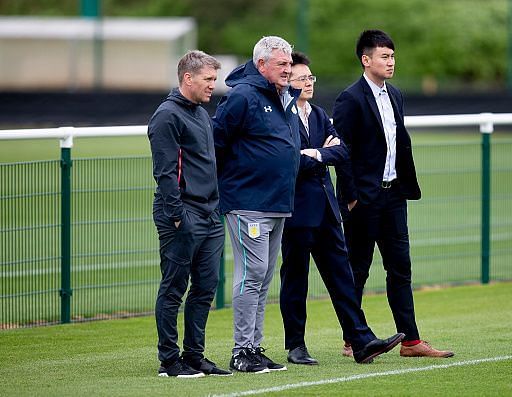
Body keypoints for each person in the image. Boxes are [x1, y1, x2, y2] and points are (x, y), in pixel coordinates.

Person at [333, 30, 454, 358]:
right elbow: (341, 152)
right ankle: (353, 338)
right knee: (357, 268)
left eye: (392, 56)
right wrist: (351, 197)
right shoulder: (350, 99)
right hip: (363, 200)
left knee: (401, 268)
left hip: (393, 197)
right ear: (366, 59)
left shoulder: (395, 95)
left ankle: (411, 341)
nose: (391, 62)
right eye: (384, 56)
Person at [279, 51, 405, 366]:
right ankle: (296, 345)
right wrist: (322, 153)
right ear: (286, 83)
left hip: (326, 210)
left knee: (343, 278)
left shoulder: (319, 115)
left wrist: (315, 154)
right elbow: (288, 160)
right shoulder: (281, 117)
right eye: (301, 78)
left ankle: (361, 341)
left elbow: (343, 151)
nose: (308, 83)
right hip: (295, 211)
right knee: (296, 279)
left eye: (310, 78)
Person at [212, 36, 299, 374]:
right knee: (252, 274)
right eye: (282, 64)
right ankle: (241, 350)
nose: (288, 70)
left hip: (277, 202)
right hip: (248, 202)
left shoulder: (284, 97)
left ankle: (253, 347)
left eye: (290, 65)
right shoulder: (242, 97)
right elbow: (217, 142)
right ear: (262, 65)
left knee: (263, 279)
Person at [148, 50, 232, 378]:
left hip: (210, 214)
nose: (214, 85)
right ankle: (170, 361)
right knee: (174, 287)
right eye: (209, 79)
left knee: (206, 287)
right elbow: (165, 173)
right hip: (183, 214)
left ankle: (194, 356)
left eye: (215, 78)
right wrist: (178, 215)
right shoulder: (167, 115)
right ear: (188, 78)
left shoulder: (200, 113)